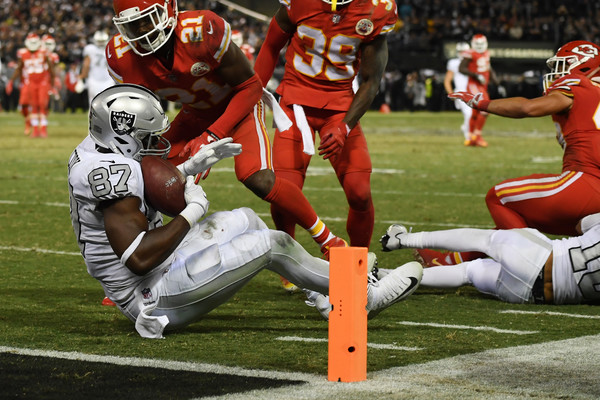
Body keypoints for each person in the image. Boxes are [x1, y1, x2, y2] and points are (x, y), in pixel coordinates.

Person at [67, 84, 423, 338]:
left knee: (247, 218)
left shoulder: (102, 149)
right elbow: (138, 257)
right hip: (148, 295)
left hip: (159, 269)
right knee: (270, 244)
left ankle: (327, 298)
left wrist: (189, 167)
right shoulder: (108, 176)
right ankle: (361, 297)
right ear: (124, 134)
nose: (156, 143)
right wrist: (192, 212)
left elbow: (144, 186)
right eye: (147, 137)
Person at [106, 0, 347, 293]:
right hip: (196, 113)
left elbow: (250, 86)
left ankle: (329, 241)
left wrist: (211, 136)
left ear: (170, 9)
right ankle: (136, 273)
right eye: (132, 25)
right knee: (145, 178)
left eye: (147, 20)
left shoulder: (202, 31)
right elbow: (137, 112)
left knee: (257, 178)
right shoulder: (120, 56)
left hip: (239, 107)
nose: (142, 31)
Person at [417, 40, 600, 268]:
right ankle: (448, 261)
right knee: (518, 220)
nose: (557, 72)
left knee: (499, 197)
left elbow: (528, 108)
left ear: (583, 65)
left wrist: (482, 103)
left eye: (564, 65)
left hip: (587, 182)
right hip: (590, 193)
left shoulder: (578, 84)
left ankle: (533, 267)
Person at [254, 0, 398, 255]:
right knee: (285, 192)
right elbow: (270, 46)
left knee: (359, 192)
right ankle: (289, 262)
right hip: (295, 105)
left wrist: (344, 127)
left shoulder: (375, 9)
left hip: (340, 106)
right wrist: (252, 96)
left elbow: (371, 81)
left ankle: (359, 264)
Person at [380, 217, 600, 305]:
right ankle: (385, 277)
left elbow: (581, 224)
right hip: (532, 296)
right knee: (469, 272)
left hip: (540, 257)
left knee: (483, 239)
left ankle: (401, 239)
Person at [6, 33, 55, 137]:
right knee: (33, 106)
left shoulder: (43, 52)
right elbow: (19, 68)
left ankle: (43, 129)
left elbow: (51, 70)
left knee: (42, 105)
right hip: (30, 83)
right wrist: (11, 81)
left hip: (42, 82)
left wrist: (53, 84)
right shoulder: (23, 54)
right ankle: (35, 129)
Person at [458, 34, 498, 147]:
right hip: (474, 85)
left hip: (482, 86)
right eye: (477, 44)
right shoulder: (470, 53)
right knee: (485, 109)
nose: (480, 46)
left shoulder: (486, 53)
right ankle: (477, 136)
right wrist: (475, 75)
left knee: (475, 112)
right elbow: (461, 68)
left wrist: (496, 81)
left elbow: (488, 68)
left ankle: (470, 138)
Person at [444, 42, 472, 144]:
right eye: (460, 51)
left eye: (464, 51)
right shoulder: (454, 63)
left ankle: (466, 127)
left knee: (475, 114)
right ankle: (468, 137)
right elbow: (447, 80)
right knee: (469, 113)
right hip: (460, 93)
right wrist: (450, 92)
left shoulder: (473, 62)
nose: (462, 53)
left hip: (472, 92)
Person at [79, 30, 114, 105]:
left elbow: (86, 65)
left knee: (94, 103)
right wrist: (82, 77)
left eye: (102, 41)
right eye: (99, 41)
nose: (101, 43)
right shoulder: (111, 47)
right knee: (108, 103)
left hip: (101, 80)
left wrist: (82, 77)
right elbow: (86, 65)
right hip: (102, 80)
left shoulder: (90, 49)